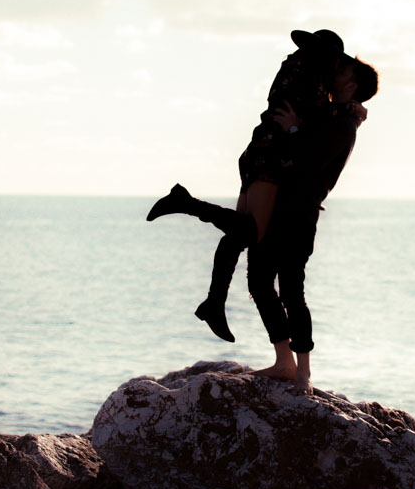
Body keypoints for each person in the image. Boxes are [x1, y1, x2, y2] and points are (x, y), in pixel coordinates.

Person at [146, 29, 345, 342]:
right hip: (270, 156)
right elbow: (315, 119)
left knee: (240, 232)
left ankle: (213, 302)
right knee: (252, 232)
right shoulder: (311, 74)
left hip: (257, 151)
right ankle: (185, 205)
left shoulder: (292, 66)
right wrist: (346, 109)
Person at [244, 54, 378, 394]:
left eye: (342, 71)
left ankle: (303, 371)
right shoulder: (332, 114)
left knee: (291, 291)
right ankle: (283, 361)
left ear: (350, 85)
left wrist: (291, 128)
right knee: (259, 282)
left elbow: (308, 162)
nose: (334, 73)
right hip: (277, 209)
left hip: (299, 216)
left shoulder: (343, 124)